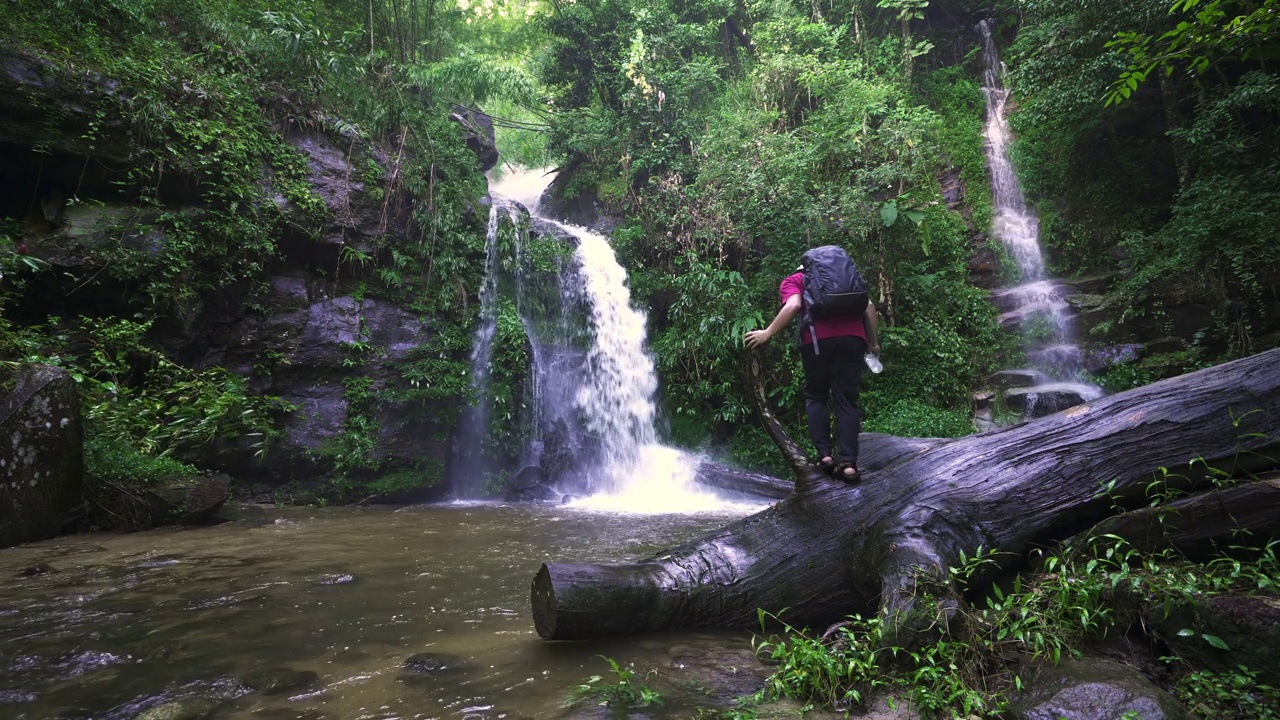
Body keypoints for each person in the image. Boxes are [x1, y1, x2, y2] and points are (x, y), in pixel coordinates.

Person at [744, 261, 880, 482]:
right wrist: (873, 343)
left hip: (817, 342)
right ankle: (848, 465)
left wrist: (767, 333)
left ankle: (825, 457)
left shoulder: (796, 279)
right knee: (846, 400)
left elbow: (793, 306)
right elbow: (870, 308)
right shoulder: (848, 279)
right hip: (853, 340)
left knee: (817, 396)